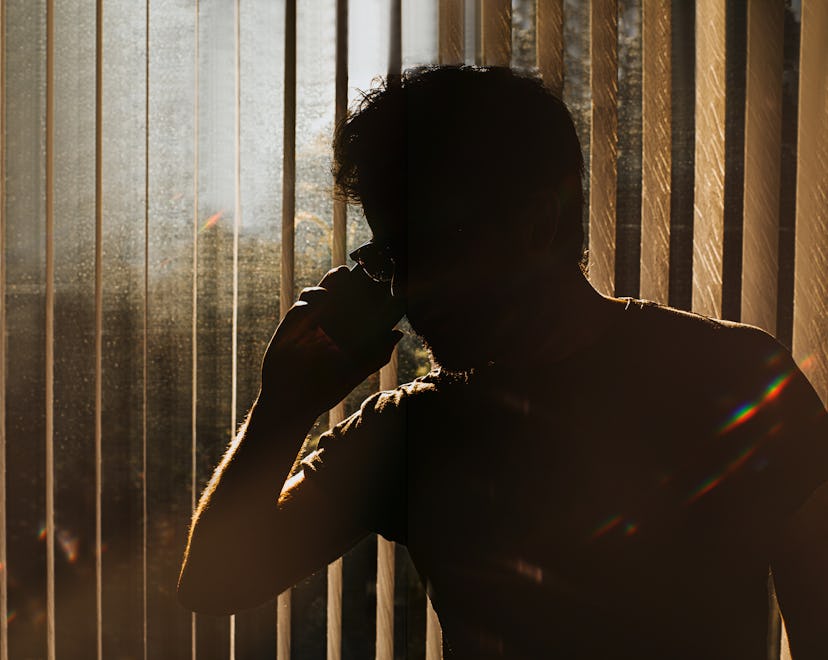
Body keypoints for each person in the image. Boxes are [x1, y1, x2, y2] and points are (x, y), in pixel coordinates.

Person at [178, 66, 828, 658]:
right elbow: (214, 581)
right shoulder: (410, 432)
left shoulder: (737, 382)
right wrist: (284, 406)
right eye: (389, 256)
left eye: (426, 245)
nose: (405, 289)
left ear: (539, 222)